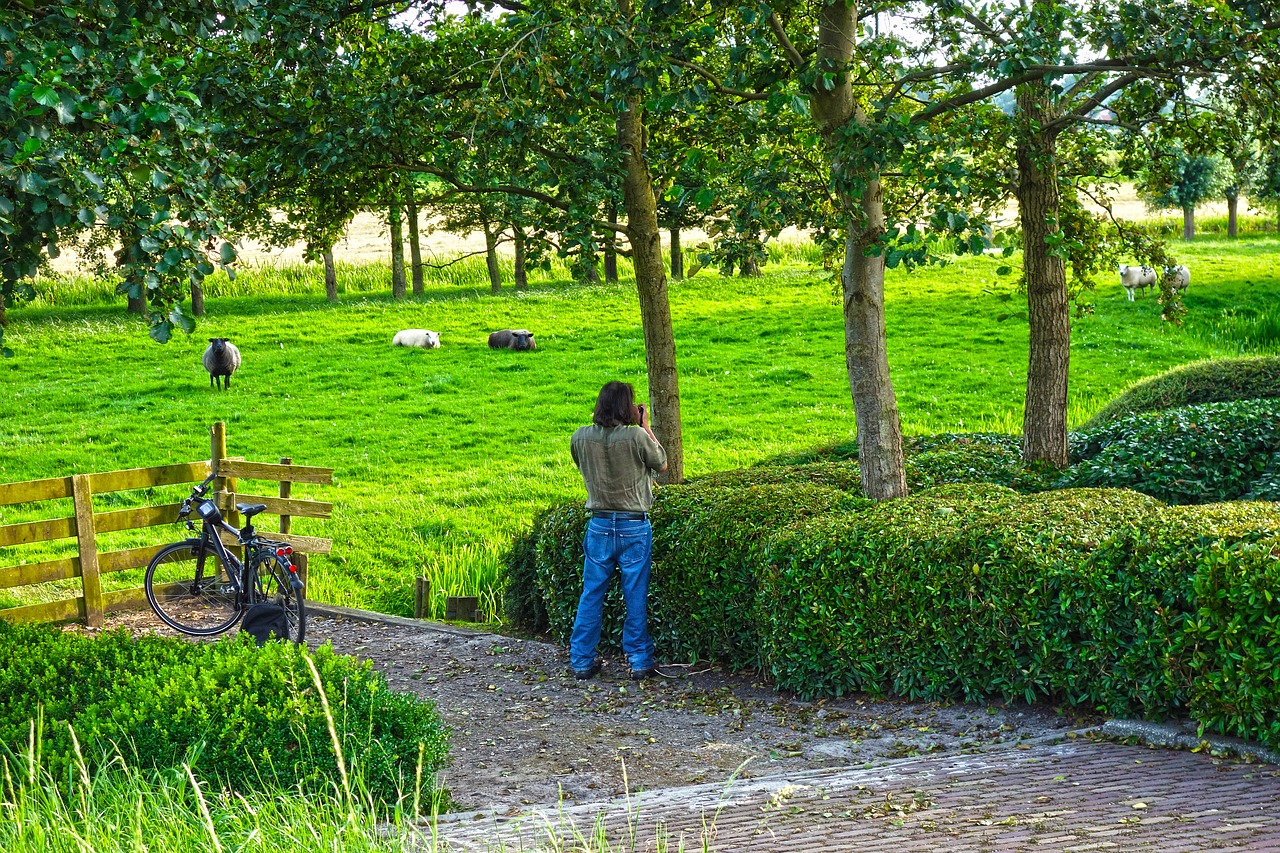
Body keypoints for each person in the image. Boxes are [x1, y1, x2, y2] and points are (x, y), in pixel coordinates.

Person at [568, 380, 668, 680]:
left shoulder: (580, 437)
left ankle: (582, 660)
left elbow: (582, 466)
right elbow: (661, 464)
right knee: (634, 593)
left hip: (598, 523)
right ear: (629, 407)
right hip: (633, 525)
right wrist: (646, 426)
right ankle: (639, 660)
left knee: (591, 593)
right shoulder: (636, 436)